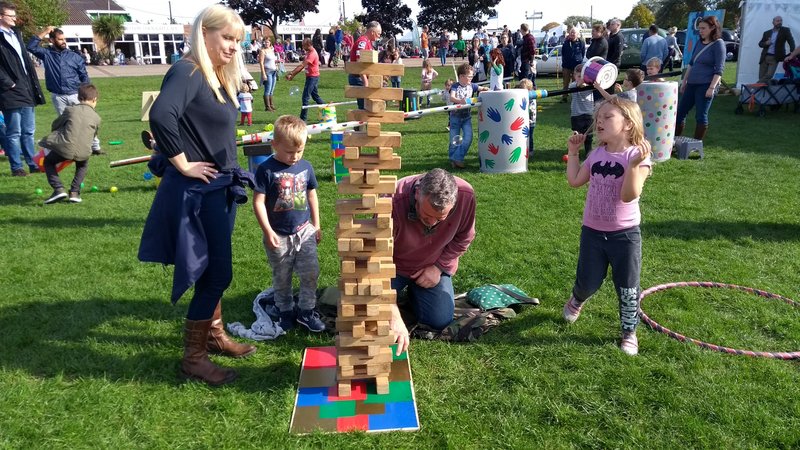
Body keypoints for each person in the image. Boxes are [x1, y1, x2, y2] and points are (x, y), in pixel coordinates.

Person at [138, 4, 257, 387]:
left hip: (221, 187)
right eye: (227, 37)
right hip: (200, 191)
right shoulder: (187, 70)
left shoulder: (214, 76)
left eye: (238, 40)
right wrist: (183, 163)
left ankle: (214, 334)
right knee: (219, 273)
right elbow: (162, 115)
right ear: (203, 32)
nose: (233, 46)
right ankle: (193, 358)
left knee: (211, 270)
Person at [563, 96, 652, 356]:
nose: (599, 121)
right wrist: (573, 153)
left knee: (628, 287)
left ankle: (629, 332)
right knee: (587, 281)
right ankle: (577, 299)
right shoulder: (597, 154)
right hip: (592, 232)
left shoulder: (637, 156)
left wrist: (632, 166)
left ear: (628, 123)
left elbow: (629, 195)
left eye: (607, 117)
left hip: (624, 235)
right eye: (598, 118)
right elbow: (574, 181)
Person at [389, 168, 477, 354]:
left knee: (439, 321)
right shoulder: (392, 200)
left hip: (432, 266)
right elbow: (375, 257)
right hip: (392, 267)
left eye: (440, 218)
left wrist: (438, 267)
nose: (432, 223)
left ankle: (413, 292)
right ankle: (399, 296)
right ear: (417, 194)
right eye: (426, 215)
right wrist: (392, 313)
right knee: (368, 314)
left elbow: (464, 237)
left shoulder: (466, 195)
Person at [252, 115, 325, 333]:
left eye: (299, 151)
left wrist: (316, 224)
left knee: (310, 272)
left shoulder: (306, 166)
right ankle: (284, 310)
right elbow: (258, 202)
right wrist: (268, 231)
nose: (295, 157)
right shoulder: (265, 169)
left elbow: (311, 195)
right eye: (289, 152)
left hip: (304, 231)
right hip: (278, 234)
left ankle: (306, 311)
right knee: (282, 276)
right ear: (274, 144)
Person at [27, 26, 104, 155]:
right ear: (52, 40)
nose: (64, 41)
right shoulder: (47, 54)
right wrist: (45, 31)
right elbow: (30, 47)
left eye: (64, 39)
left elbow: (84, 76)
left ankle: (95, 146)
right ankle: (69, 148)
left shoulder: (74, 56)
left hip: (76, 94)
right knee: (66, 124)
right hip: (58, 96)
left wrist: (87, 93)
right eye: (60, 39)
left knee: (87, 120)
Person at [0, 1, 46, 177]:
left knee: (28, 131)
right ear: (1, 16)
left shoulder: (16, 34)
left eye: (15, 15)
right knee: (14, 132)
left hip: (26, 88)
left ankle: (33, 164)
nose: (15, 18)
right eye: (11, 16)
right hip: (10, 90)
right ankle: (16, 167)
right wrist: (8, 83)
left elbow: (25, 61)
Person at [40, 83, 101, 204]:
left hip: (64, 148)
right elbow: (94, 135)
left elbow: (56, 124)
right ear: (94, 99)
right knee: (82, 165)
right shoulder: (96, 117)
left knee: (48, 162)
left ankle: (58, 188)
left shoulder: (70, 110)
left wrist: (57, 132)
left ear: (78, 98)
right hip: (84, 151)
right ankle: (74, 192)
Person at [675, 16, 725, 141]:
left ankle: (696, 144)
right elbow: (691, 63)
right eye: (700, 28)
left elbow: (719, 69)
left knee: (701, 115)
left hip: (705, 84)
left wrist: (711, 88)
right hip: (692, 83)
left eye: (703, 28)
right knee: (680, 112)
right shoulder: (699, 42)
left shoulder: (718, 44)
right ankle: (675, 141)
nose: (700, 31)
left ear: (712, 28)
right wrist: (684, 82)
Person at [448, 63, 488, 168]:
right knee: (454, 140)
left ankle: (457, 157)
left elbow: (481, 88)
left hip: (466, 117)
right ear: (461, 76)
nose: (471, 78)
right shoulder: (455, 86)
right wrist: (460, 101)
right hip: (455, 117)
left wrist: (486, 89)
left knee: (468, 138)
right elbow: (452, 97)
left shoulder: (472, 86)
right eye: (469, 76)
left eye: (472, 76)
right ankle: (453, 160)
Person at [286, 38, 325, 122]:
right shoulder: (308, 52)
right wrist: (293, 75)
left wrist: (291, 73)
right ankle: (326, 111)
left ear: (308, 45)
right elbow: (302, 66)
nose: (302, 47)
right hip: (310, 77)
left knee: (305, 98)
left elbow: (302, 66)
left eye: (303, 45)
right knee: (315, 96)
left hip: (312, 77)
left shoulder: (312, 54)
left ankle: (303, 120)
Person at [348, 21, 382, 110]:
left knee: (368, 106)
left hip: (362, 77)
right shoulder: (362, 41)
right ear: (372, 32)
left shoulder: (368, 42)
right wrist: (365, 81)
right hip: (358, 77)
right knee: (364, 107)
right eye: (378, 33)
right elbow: (359, 61)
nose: (379, 36)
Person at [758, 16, 796, 83]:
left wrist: (792, 53)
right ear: (773, 22)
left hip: (775, 57)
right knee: (761, 76)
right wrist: (766, 43)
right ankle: (762, 88)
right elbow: (760, 44)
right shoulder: (767, 33)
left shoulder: (785, 30)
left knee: (769, 75)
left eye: (781, 21)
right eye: (777, 21)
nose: (780, 22)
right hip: (765, 57)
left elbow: (791, 41)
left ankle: (754, 86)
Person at [569, 64, 595, 155]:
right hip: (577, 115)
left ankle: (588, 153)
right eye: (579, 76)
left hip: (589, 114)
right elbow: (578, 85)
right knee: (577, 135)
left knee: (589, 136)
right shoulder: (572, 85)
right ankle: (574, 152)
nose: (581, 79)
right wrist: (581, 83)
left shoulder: (590, 85)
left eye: (584, 77)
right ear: (574, 76)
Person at [561, 28, 585, 98]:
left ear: (577, 34)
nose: (572, 34)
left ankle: (574, 97)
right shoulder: (566, 42)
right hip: (566, 66)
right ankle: (564, 97)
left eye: (574, 32)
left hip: (576, 67)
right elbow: (563, 53)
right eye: (571, 32)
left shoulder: (581, 42)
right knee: (565, 82)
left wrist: (578, 59)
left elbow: (582, 53)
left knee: (575, 83)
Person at [516, 78, 537, 159]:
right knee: (522, 136)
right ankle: (524, 149)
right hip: (524, 121)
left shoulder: (531, 97)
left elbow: (530, 109)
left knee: (529, 136)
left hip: (530, 121)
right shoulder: (524, 96)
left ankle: (530, 150)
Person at [258, 36, 278, 111]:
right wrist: (263, 74)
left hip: (274, 71)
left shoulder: (271, 49)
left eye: (267, 42)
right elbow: (261, 63)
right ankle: (267, 106)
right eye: (265, 42)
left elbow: (274, 60)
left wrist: (276, 65)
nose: (266, 43)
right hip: (268, 72)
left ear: (270, 43)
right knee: (268, 89)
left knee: (272, 90)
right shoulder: (262, 51)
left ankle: (271, 105)